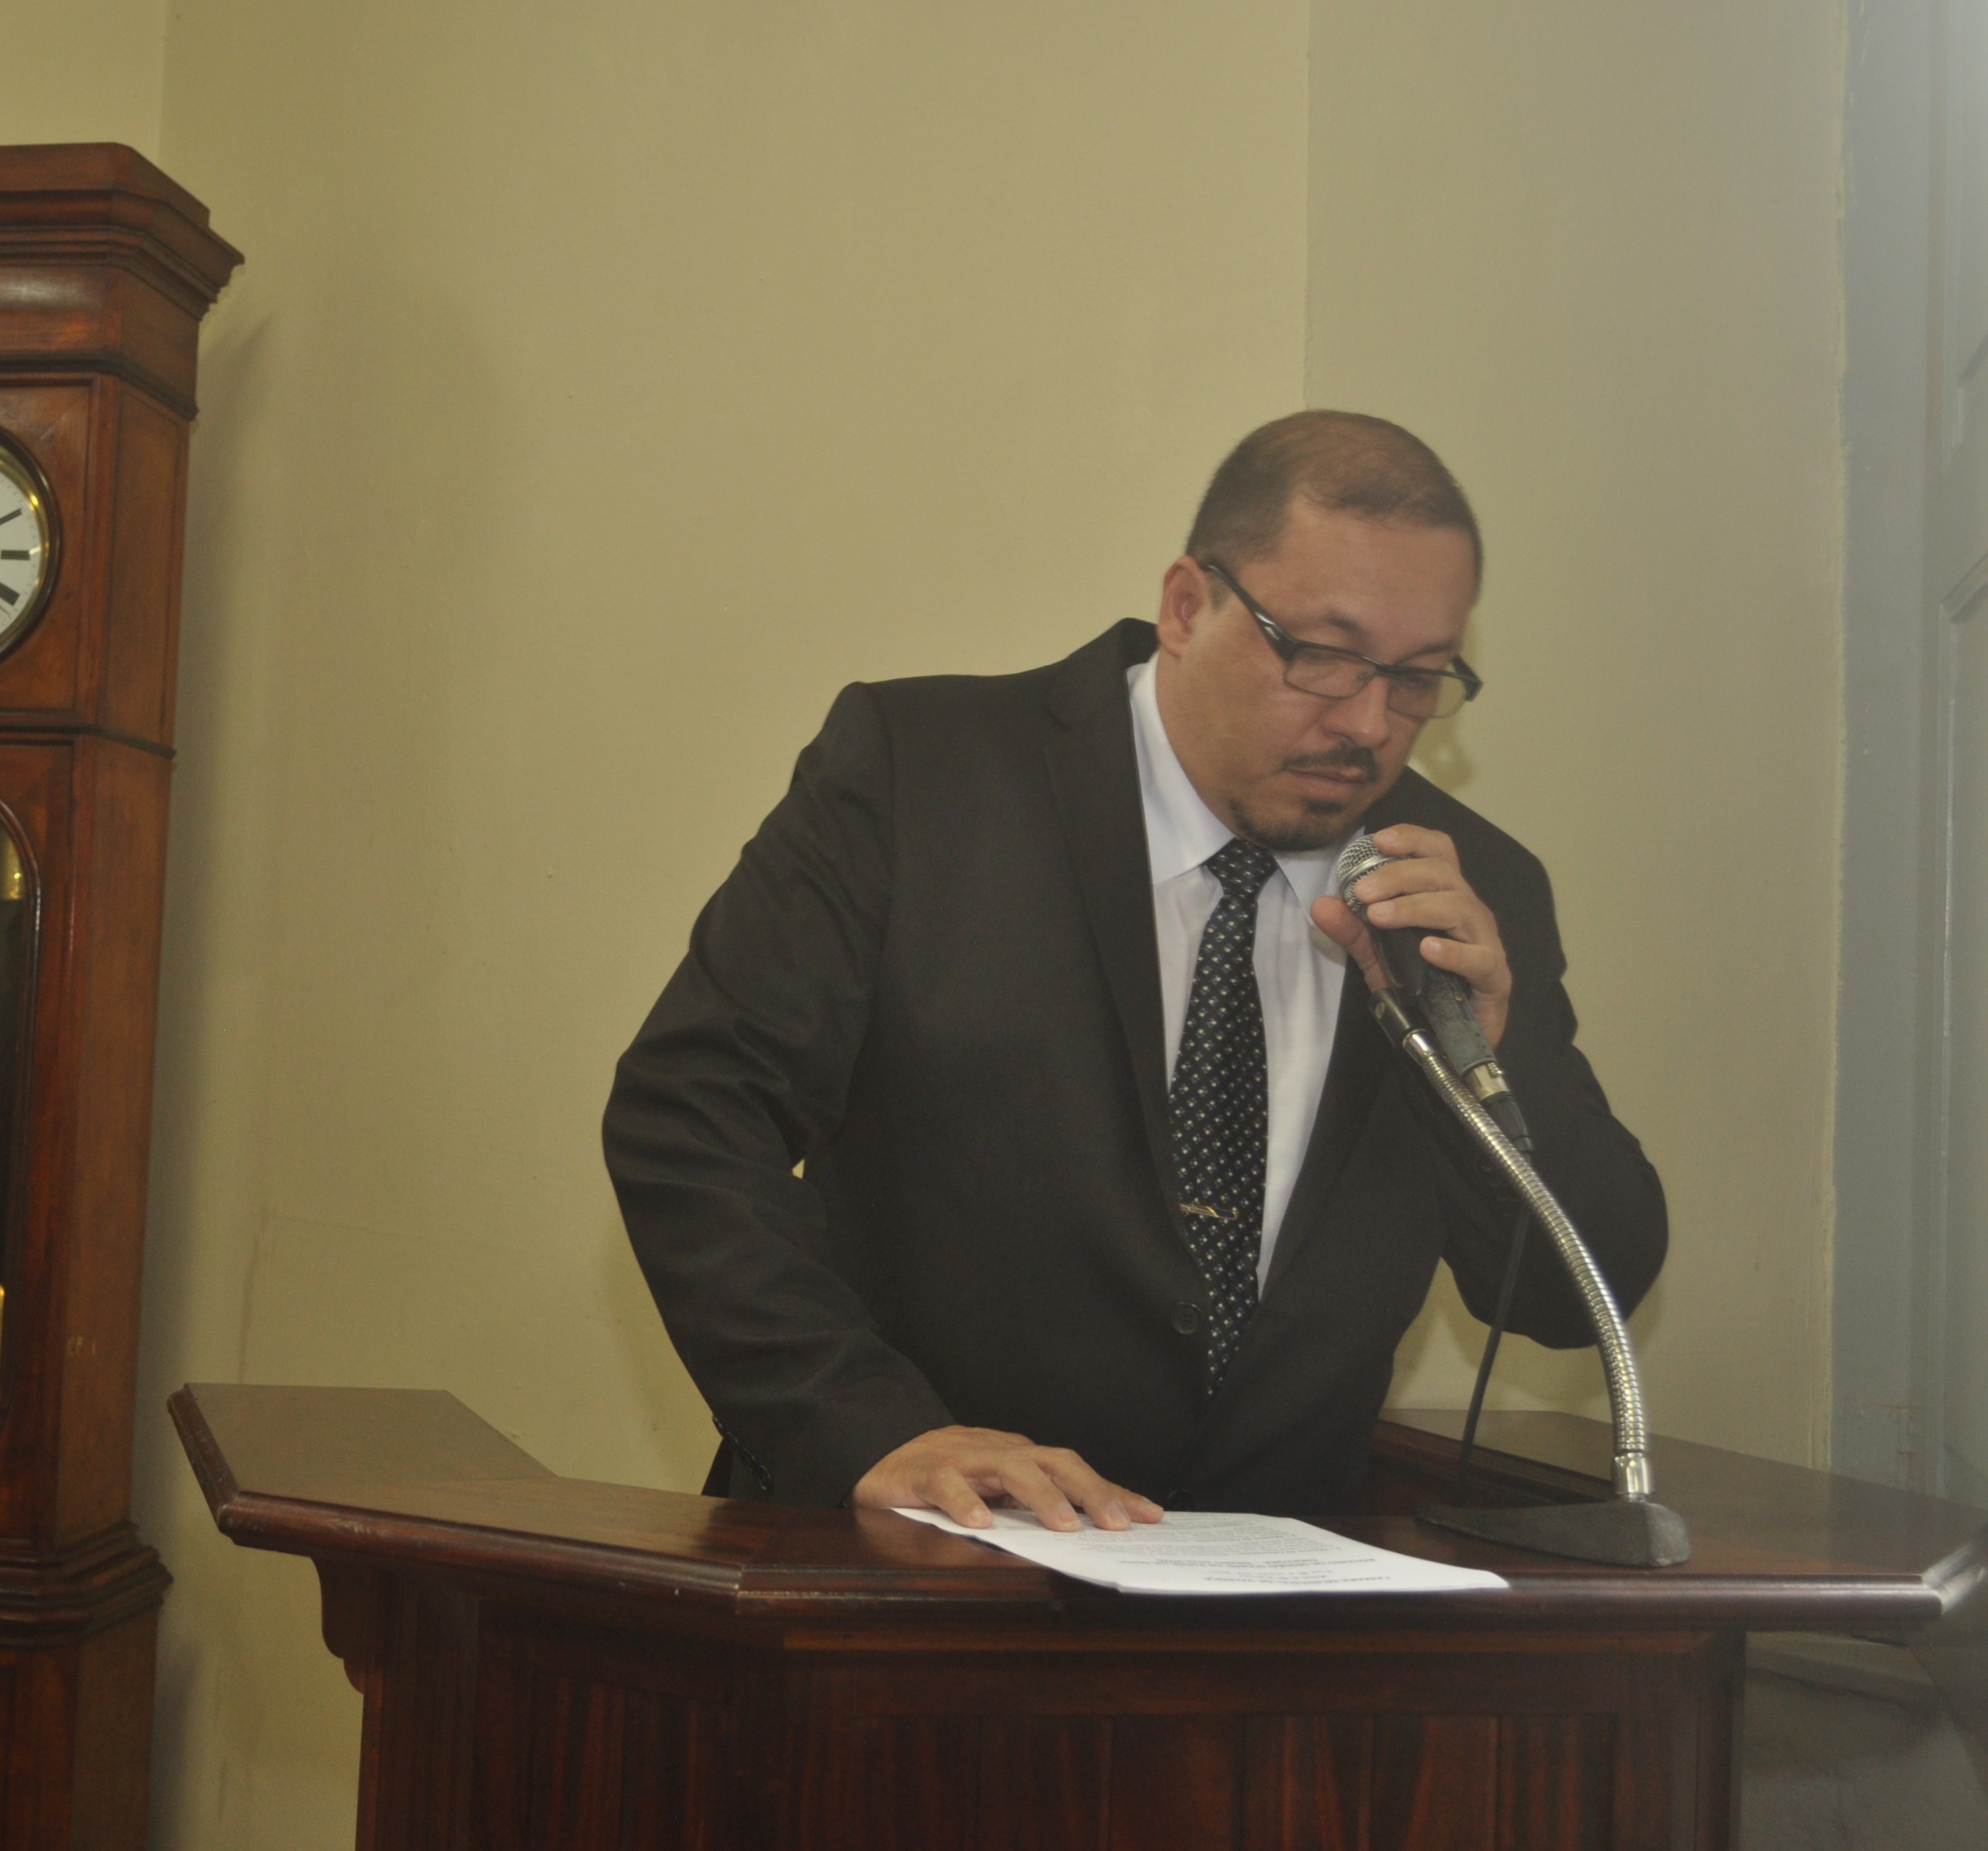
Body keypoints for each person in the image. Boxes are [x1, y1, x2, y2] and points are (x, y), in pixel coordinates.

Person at [601, 410, 1666, 1534]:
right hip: (904, 1566)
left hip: (1270, 1604)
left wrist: (1493, 1052)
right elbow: (693, 1117)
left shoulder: (1465, 889)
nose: (1368, 723)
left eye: (1417, 679)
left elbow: (1573, 1299)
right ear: (1188, 606)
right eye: (1321, 655)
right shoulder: (926, 776)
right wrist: (867, 1426)